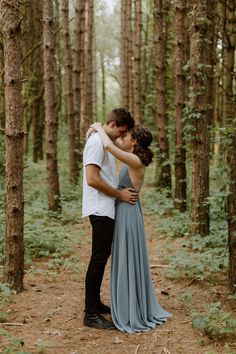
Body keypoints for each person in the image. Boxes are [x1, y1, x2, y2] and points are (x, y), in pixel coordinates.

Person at [90, 122, 172, 333]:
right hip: (125, 209)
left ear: (134, 141)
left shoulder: (135, 160)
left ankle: (130, 308)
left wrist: (98, 128)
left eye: (128, 136)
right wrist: (100, 130)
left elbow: (110, 147)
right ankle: (127, 302)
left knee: (127, 255)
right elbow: (115, 140)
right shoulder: (133, 154)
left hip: (128, 212)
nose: (123, 137)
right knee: (123, 255)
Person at [82, 108, 139, 330]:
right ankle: (90, 314)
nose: (120, 137)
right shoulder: (97, 143)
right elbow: (92, 180)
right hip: (100, 208)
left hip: (105, 207)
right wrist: (120, 194)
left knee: (101, 257)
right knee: (98, 259)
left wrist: (97, 126)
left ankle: (95, 304)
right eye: (121, 132)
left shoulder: (101, 139)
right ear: (114, 124)